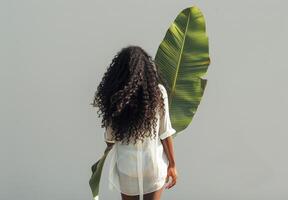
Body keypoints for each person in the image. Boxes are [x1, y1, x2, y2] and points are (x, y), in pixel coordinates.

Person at [91, 45, 178, 200]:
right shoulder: (158, 93)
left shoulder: (116, 98)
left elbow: (110, 138)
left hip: (127, 170)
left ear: (118, 71)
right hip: (153, 167)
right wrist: (172, 165)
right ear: (145, 68)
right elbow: (165, 133)